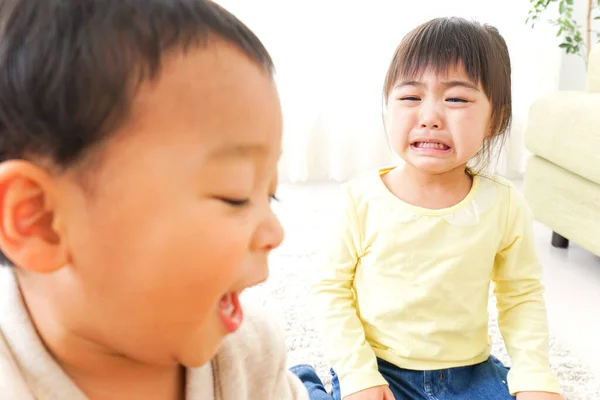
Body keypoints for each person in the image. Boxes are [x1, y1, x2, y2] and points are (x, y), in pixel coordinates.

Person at [0, 1, 308, 399]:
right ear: (41, 219)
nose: (274, 232)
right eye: (234, 195)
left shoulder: (253, 351)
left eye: (270, 195)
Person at [293, 17, 564, 400]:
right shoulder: (361, 199)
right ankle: (303, 386)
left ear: (496, 119)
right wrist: (358, 375)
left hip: (469, 374)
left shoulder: (502, 205)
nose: (430, 117)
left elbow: (520, 295)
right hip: (380, 368)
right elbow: (331, 289)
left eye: (456, 99)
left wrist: (535, 377)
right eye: (410, 97)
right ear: (388, 106)